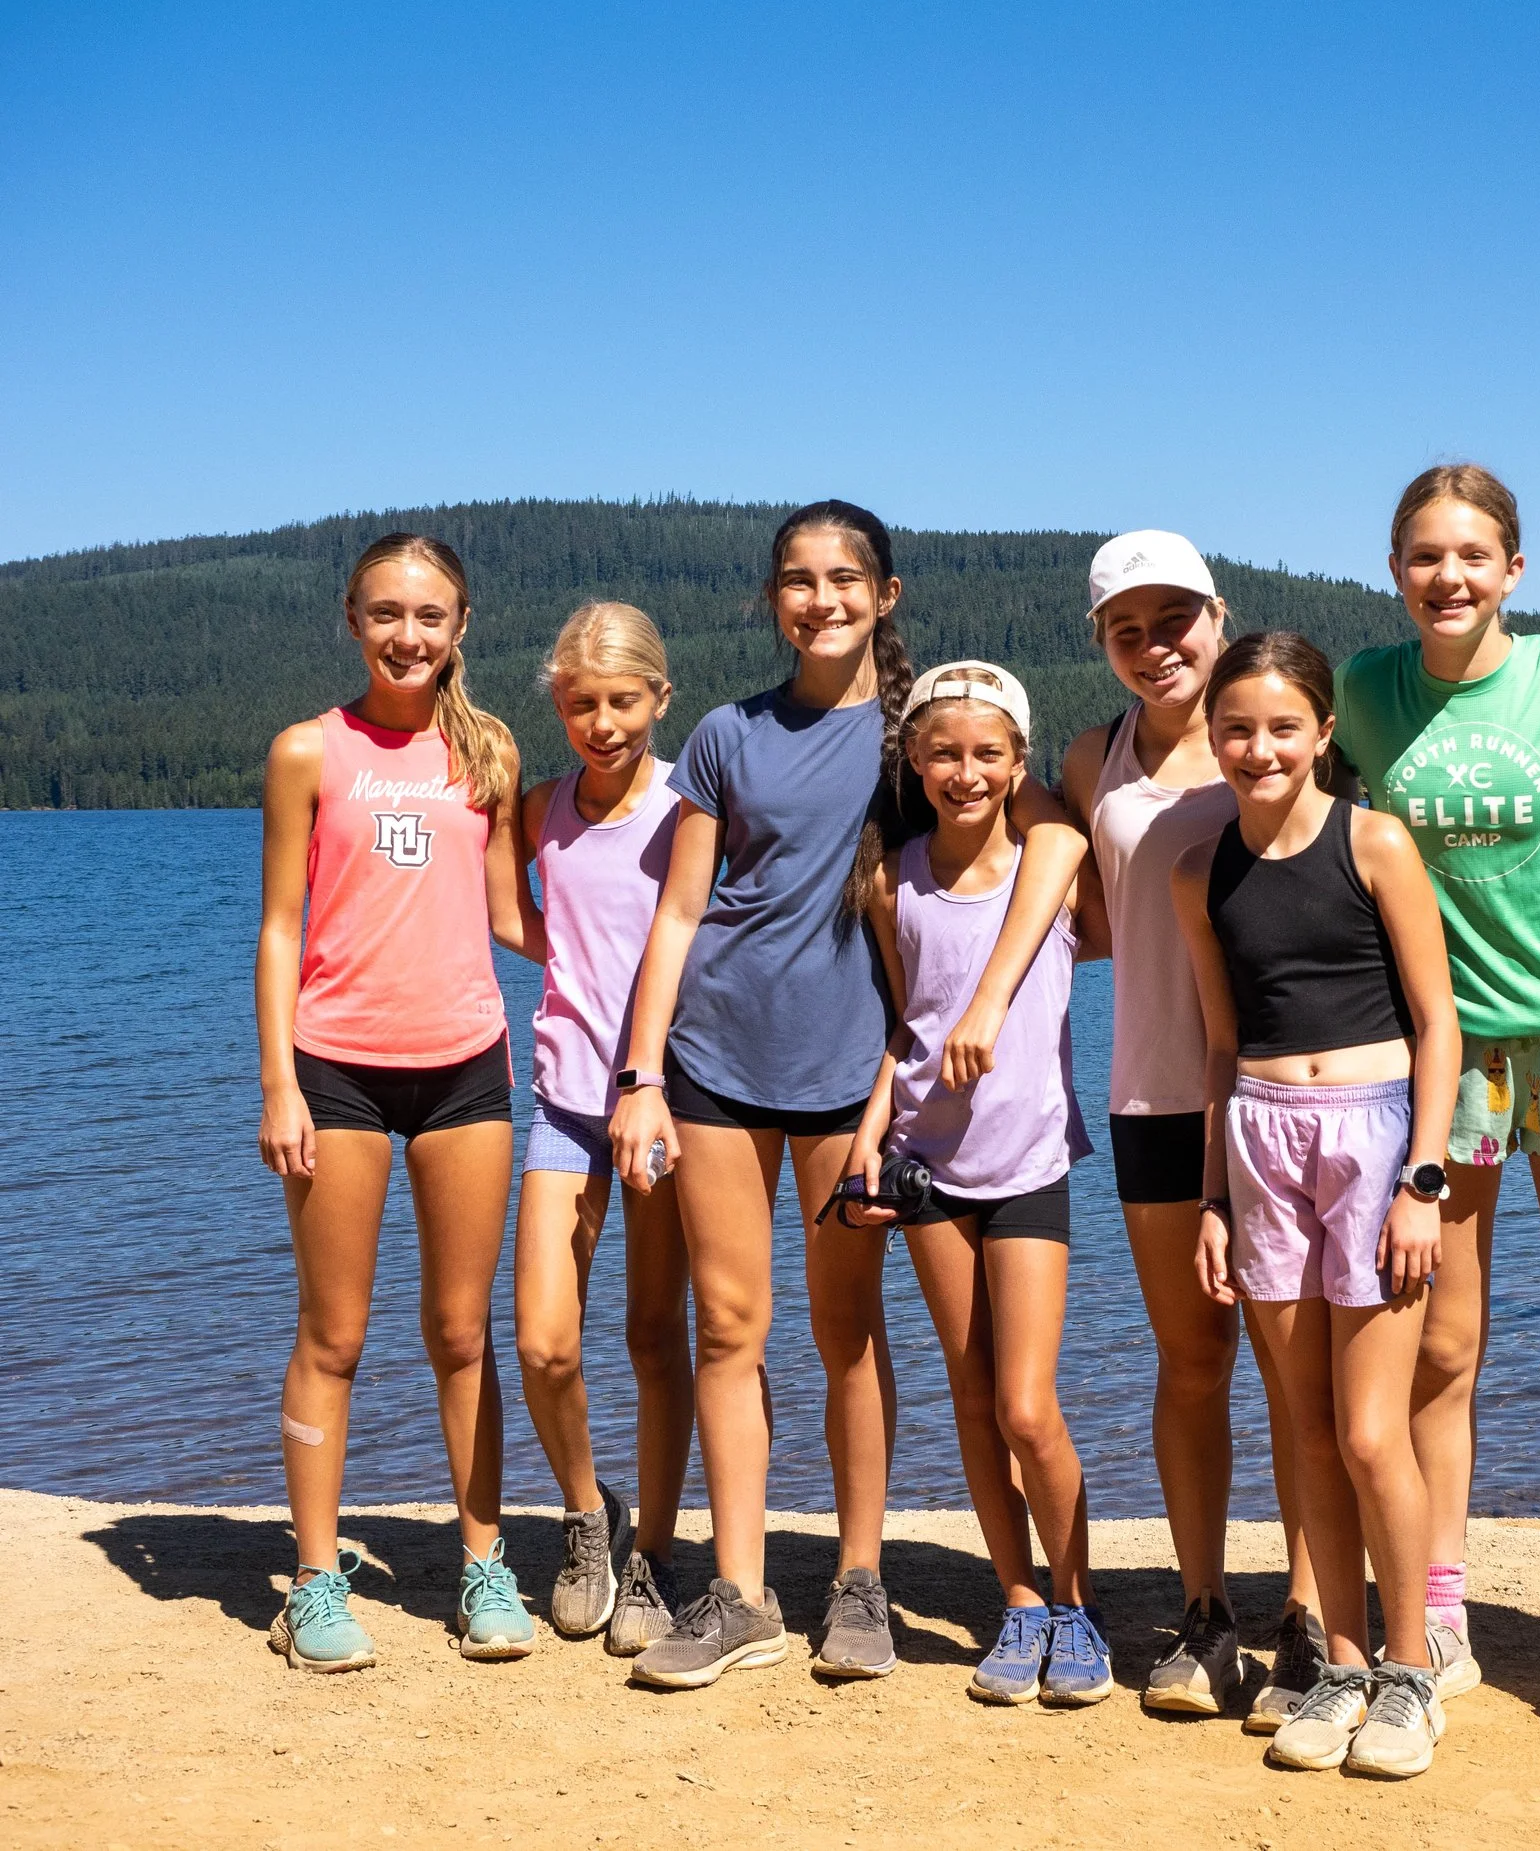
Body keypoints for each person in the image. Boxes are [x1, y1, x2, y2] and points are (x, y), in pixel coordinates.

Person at [609, 501, 1085, 1691]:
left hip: (851, 1081)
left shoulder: (916, 738)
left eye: (842, 579)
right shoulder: (725, 734)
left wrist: (983, 1009)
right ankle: (740, 1592)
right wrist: (640, 1072)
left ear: (886, 595)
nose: (819, 600)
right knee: (728, 1327)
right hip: (715, 1062)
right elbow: (679, 913)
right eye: (796, 581)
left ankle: (859, 1580)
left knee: (846, 1334)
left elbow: (1051, 839)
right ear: (773, 598)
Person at [1331, 464, 1540, 1754]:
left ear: (1514, 568)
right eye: (1424, 557)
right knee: (1444, 1347)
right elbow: (1259, 769)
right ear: (1396, 572)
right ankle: (1441, 1609)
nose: (1448, 578)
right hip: (1439, 1054)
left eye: (1472, 555)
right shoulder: (1364, 691)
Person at [1176, 632, 1462, 1780]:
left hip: (1374, 1136)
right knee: (1302, 1427)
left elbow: (1439, 1022)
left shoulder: (1373, 842)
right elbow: (1218, 1043)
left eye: (1282, 726)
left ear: (1323, 733)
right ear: (1213, 737)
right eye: (1236, 728)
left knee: (1365, 1429)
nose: (1259, 748)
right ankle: (1339, 1664)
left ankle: (1409, 1673)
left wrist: (1423, 1180)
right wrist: (1210, 1199)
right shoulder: (1197, 872)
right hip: (1259, 1142)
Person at [1056, 529, 1323, 1724]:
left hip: (1280, 1099)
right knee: (1191, 1362)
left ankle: (1311, 1618)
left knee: (1292, 1367)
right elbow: (1089, 917)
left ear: (1218, 617)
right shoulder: (1090, 761)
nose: (1155, 644)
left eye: (1175, 620)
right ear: (1105, 643)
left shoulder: (1268, 740)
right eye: (1128, 627)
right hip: (1153, 1096)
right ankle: (1207, 1611)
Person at [255, 533, 535, 1669]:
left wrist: (664, 939)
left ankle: (483, 1565)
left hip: (467, 1066)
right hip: (336, 1070)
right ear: (353, 620)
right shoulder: (307, 752)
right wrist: (279, 1080)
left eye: (429, 615)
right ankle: (315, 1583)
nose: (407, 636)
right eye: (385, 614)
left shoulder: (490, 756)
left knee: (464, 1331)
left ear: (462, 625)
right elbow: (281, 925)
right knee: (336, 1331)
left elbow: (518, 919)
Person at [843, 661, 1110, 1707]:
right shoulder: (891, 880)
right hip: (926, 1167)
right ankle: (1019, 1602)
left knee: (1027, 1404)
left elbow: (1072, 853)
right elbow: (903, 1033)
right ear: (913, 759)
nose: (966, 772)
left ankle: (1077, 1602)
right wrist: (868, 1143)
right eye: (944, 753)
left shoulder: (1056, 876)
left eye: (988, 753)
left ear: (1019, 762)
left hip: (1031, 1163)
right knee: (968, 1391)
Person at [507, 601, 694, 1654]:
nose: (603, 723)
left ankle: (653, 1558)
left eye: (624, 702)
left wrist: (651, 1060)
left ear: (661, 699)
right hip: (565, 1100)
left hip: (664, 1100)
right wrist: (571, 974)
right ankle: (589, 1517)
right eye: (581, 704)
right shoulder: (541, 810)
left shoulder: (686, 810)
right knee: (543, 1339)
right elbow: (503, 909)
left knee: (653, 1337)